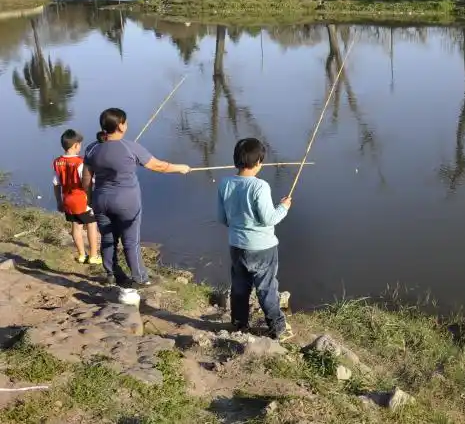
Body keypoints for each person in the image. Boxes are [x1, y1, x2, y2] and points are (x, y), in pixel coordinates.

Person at [82, 108, 191, 287]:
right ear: (120, 126)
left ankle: (111, 275)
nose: (127, 125)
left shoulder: (92, 148)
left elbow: (86, 178)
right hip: (126, 202)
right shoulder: (131, 147)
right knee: (131, 241)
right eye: (125, 122)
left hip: (101, 200)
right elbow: (158, 166)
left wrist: (89, 199)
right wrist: (181, 168)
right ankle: (140, 278)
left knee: (108, 238)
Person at [217, 137, 293, 341]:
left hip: (236, 246)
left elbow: (222, 218)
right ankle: (278, 327)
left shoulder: (225, 183)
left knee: (240, 287)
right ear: (259, 162)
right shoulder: (260, 186)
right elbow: (269, 219)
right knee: (267, 288)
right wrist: (283, 207)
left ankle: (239, 324)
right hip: (262, 249)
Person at [53, 129, 100, 265]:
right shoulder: (81, 162)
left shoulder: (58, 162)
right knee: (91, 225)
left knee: (76, 227)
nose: (81, 147)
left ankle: (81, 255)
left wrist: (59, 201)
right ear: (75, 146)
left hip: (67, 201)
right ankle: (94, 255)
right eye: (80, 144)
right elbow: (87, 182)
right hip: (82, 200)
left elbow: (56, 183)